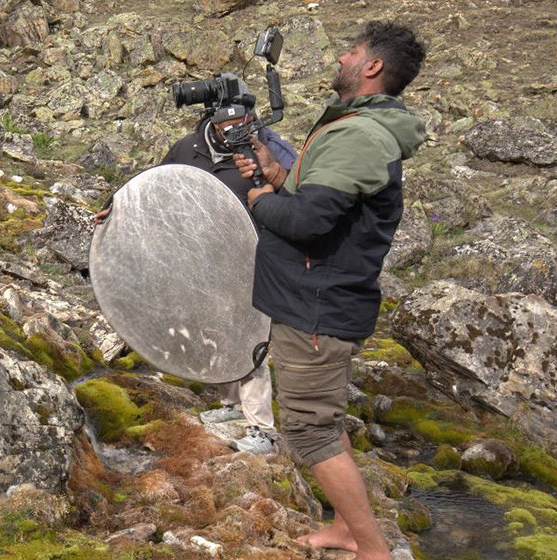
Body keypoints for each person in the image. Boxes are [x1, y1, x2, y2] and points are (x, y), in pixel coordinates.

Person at [236, 21, 426, 559]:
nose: (341, 57)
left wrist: (260, 200)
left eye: (352, 51)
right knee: (326, 418)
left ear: (372, 67)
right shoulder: (356, 127)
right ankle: (345, 528)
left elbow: (307, 222)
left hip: (315, 308)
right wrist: (277, 176)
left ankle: (372, 548)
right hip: (314, 300)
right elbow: (319, 200)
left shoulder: (360, 135)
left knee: (310, 431)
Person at [159, 107, 297, 452]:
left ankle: (262, 430)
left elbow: (299, 195)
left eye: (243, 123)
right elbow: (157, 183)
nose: (237, 130)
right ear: (214, 123)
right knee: (216, 331)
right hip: (206, 261)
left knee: (250, 338)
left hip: (255, 260)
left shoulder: (269, 148)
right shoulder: (189, 148)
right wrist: (114, 204)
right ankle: (232, 404)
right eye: (229, 125)